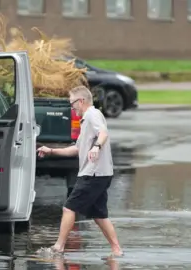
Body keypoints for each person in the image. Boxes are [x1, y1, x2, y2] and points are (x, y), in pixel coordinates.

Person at [37, 85, 123, 257]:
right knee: (99, 215)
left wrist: (97, 147)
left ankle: (58, 247)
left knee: (69, 208)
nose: (72, 107)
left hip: (93, 173)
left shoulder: (93, 114)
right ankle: (117, 250)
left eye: (72, 103)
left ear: (81, 101)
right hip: (99, 173)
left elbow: (103, 133)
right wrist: (51, 151)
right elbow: (76, 149)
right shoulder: (86, 120)